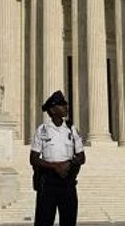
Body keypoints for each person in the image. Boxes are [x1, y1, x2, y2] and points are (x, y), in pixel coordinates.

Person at [30, 90, 86, 226]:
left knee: (69, 221)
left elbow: (81, 157)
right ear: (52, 110)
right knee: (44, 221)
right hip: (48, 181)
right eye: (61, 105)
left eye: (65, 104)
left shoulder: (72, 129)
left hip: (67, 181)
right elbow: (33, 159)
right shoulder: (42, 130)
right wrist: (55, 166)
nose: (66, 107)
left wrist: (68, 164)